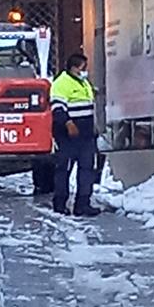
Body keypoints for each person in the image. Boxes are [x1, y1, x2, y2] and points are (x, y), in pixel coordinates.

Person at [50, 54, 101, 217]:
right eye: (83, 68)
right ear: (74, 67)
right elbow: (57, 108)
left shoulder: (83, 83)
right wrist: (68, 123)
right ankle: (60, 203)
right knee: (64, 169)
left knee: (87, 169)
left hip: (85, 134)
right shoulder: (61, 83)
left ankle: (83, 204)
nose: (85, 71)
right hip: (68, 135)